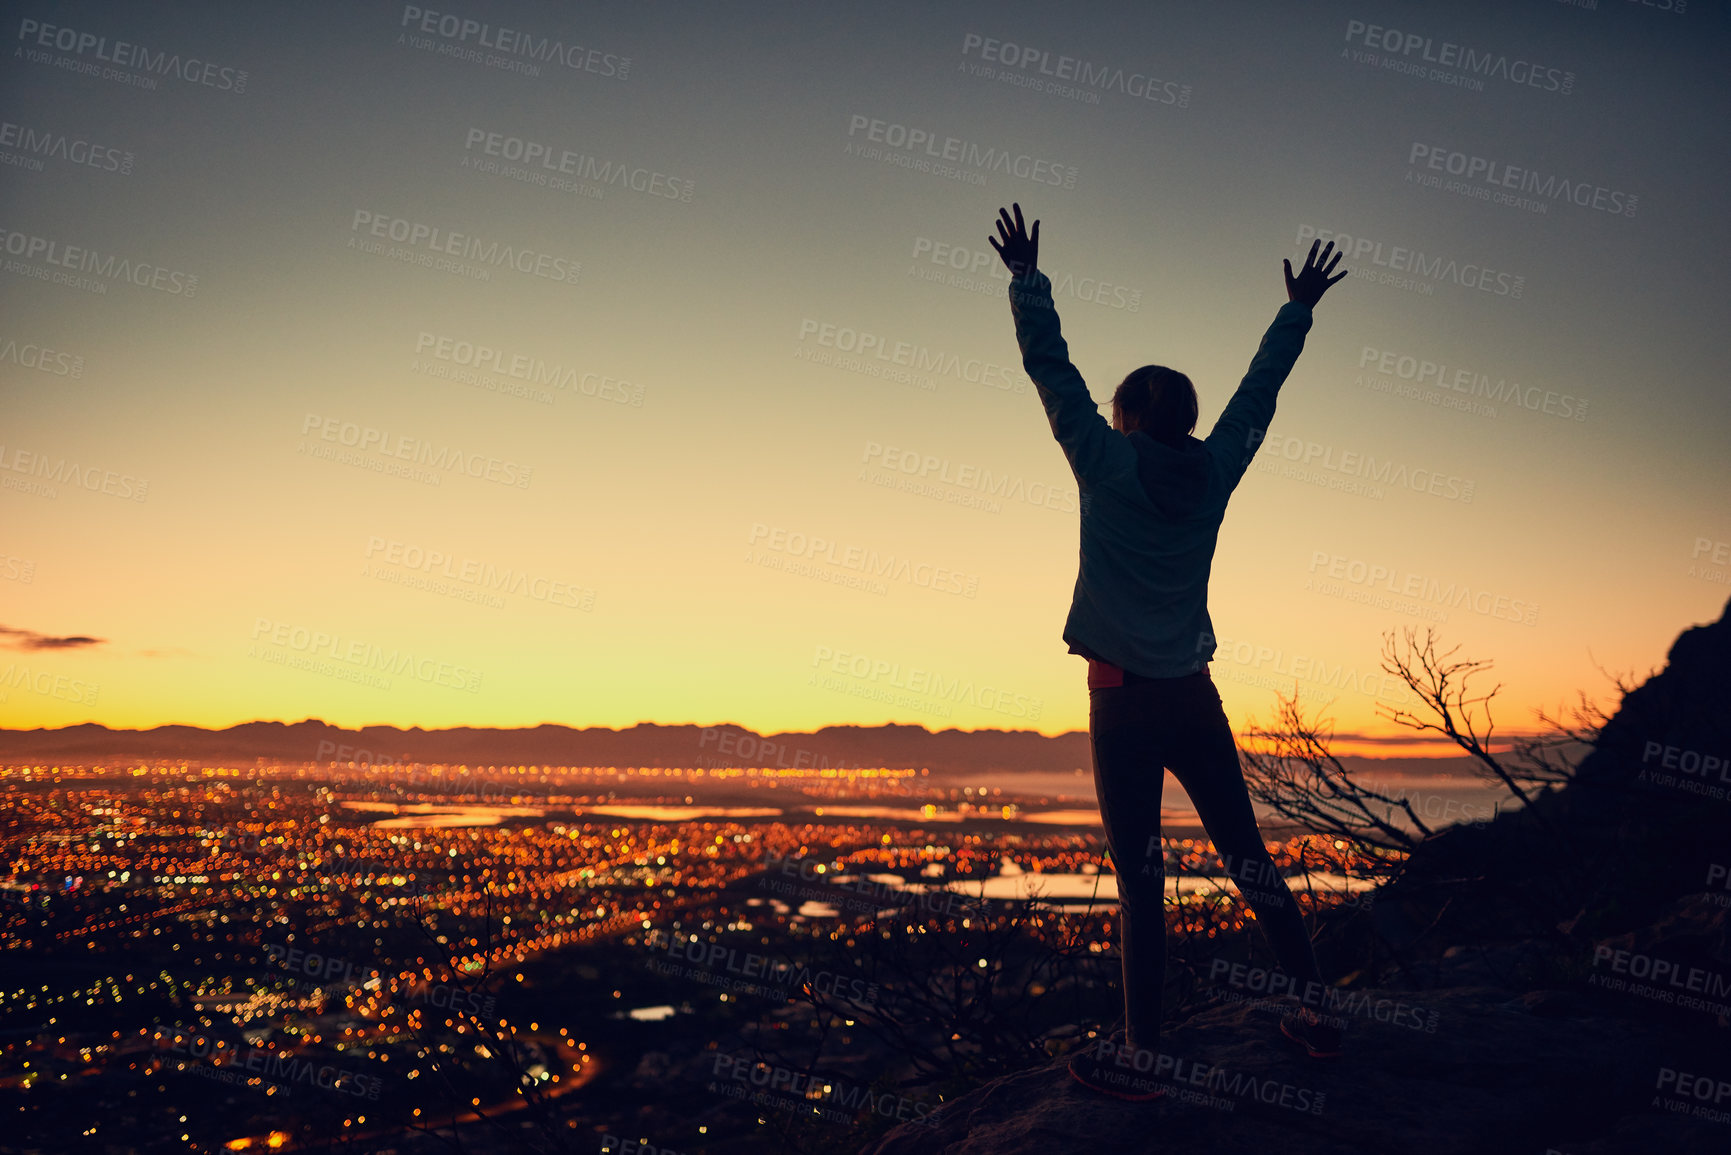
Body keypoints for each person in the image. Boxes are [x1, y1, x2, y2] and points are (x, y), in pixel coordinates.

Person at [987, 203, 1349, 1100]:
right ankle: (1314, 1005)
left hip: (1122, 702)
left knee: (1140, 880)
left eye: (1114, 411)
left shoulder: (1105, 466)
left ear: (1127, 418)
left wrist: (1027, 280)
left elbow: (1050, 371)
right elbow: (1258, 395)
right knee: (1247, 855)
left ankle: (1143, 1055)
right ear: (1184, 416)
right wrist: (1296, 309)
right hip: (1194, 694)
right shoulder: (1217, 469)